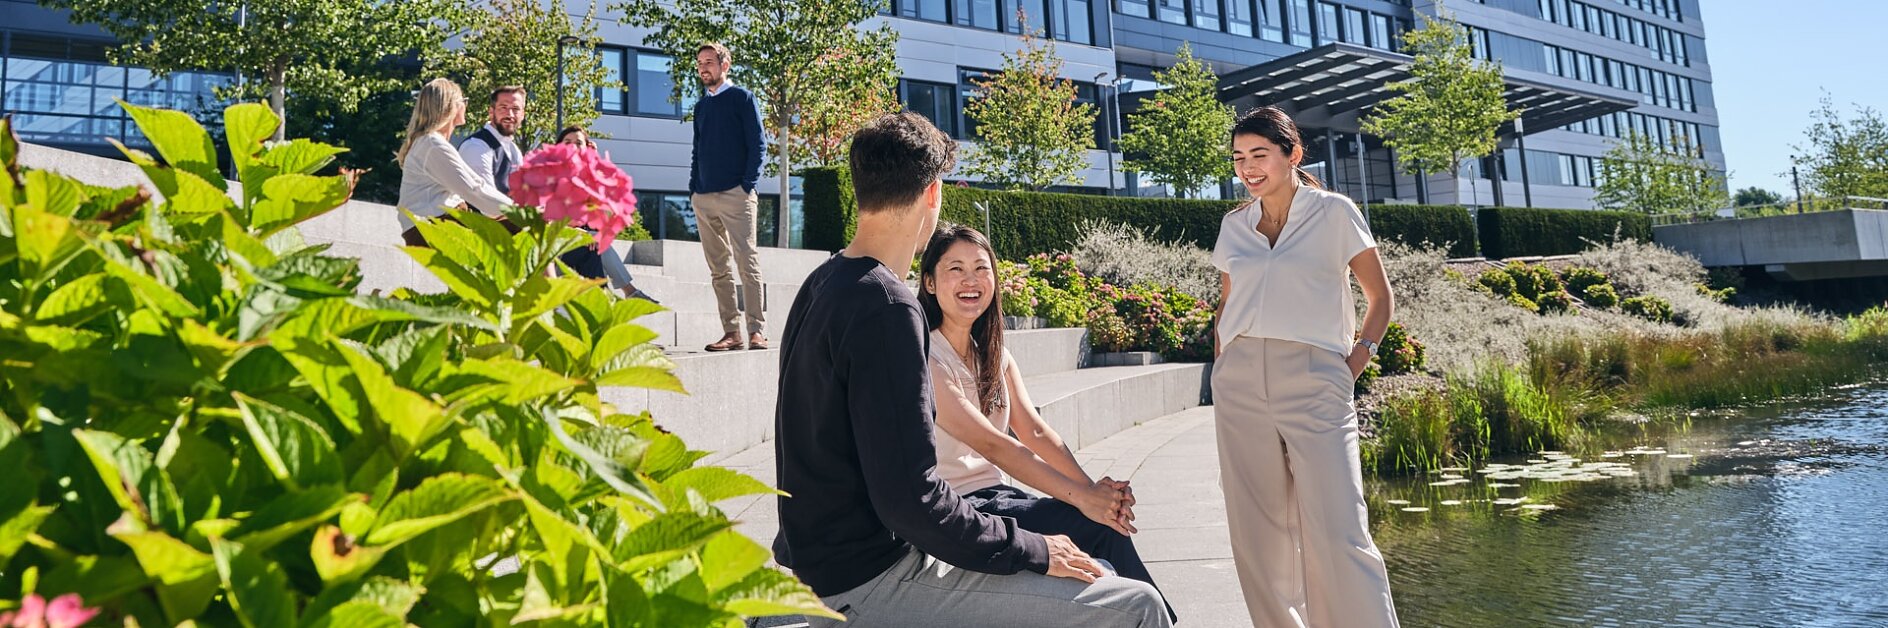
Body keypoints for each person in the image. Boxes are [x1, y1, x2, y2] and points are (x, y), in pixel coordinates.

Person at [772, 111, 1171, 628]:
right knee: (1136, 606)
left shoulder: (822, 282)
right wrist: (1033, 549)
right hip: (866, 579)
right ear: (932, 193)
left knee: (1098, 569)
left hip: (820, 563)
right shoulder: (888, 307)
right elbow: (912, 502)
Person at [916, 223, 1177, 623]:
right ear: (930, 282)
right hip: (958, 510)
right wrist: (1083, 498)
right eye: (955, 269)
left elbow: (1035, 431)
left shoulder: (995, 353)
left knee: (1105, 528)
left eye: (981, 268)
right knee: (1090, 526)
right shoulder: (926, 355)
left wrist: (1094, 496)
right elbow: (994, 445)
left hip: (998, 499)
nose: (971, 281)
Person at [1211, 105, 1400, 627]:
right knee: (1257, 533)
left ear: (1292, 155)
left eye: (1259, 155)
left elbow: (1380, 297)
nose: (1248, 167)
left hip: (1317, 375)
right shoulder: (1234, 226)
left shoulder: (1333, 212)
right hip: (1241, 382)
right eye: (1238, 158)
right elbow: (1228, 304)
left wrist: (1355, 362)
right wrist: (1223, 360)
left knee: (1339, 527)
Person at [689, 42, 768, 351]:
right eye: (699, 63)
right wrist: (694, 188)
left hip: (737, 195)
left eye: (709, 61)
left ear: (725, 65)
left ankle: (756, 330)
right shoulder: (701, 106)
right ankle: (731, 332)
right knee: (718, 269)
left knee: (747, 263)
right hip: (704, 197)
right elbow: (698, 150)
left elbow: (758, 145)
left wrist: (747, 184)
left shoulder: (743, 99)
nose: (703, 68)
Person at [395, 78, 513, 246]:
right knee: (525, 226)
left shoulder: (430, 143)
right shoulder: (432, 145)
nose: (466, 105)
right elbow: (473, 189)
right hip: (433, 228)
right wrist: (517, 212)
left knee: (521, 225)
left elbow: (475, 185)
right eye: (463, 101)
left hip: (433, 226)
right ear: (451, 107)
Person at [551, 125, 657, 303]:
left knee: (595, 247)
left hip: (583, 251)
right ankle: (628, 291)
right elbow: (553, 222)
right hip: (556, 253)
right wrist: (584, 234)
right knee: (594, 243)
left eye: (579, 143)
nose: (573, 147)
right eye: (567, 142)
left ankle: (605, 298)